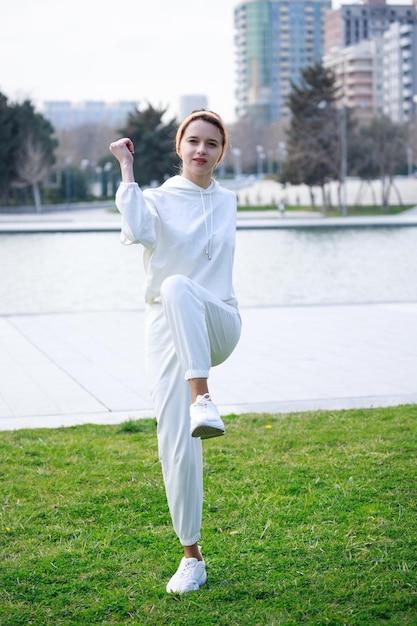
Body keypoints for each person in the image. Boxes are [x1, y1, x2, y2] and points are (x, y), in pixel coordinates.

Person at [109, 110, 241, 594]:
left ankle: (202, 397)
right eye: (193, 141)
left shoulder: (228, 201)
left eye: (211, 143)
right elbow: (139, 229)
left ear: (221, 152)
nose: (201, 150)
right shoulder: (158, 199)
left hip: (218, 319)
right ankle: (192, 556)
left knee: (181, 286)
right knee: (175, 438)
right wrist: (127, 171)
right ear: (179, 146)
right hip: (166, 329)